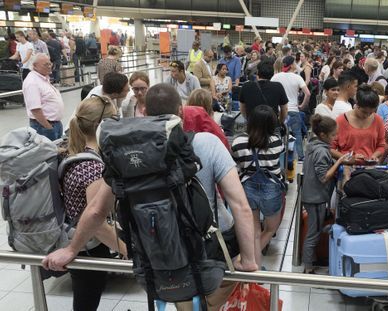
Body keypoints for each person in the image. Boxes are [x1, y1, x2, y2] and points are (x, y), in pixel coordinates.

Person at [42, 84, 259, 301]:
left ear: (145, 113)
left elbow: (97, 211)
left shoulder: (125, 155)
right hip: (213, 252)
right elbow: (240, 206)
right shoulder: (207, 142)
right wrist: (248, 260)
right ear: (181, 112)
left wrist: (71, 250)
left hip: (161, 255)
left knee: (184, 299)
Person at [63, 96, 128, 311]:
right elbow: (97, 221)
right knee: (86, 302)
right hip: (87, 246)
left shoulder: (79, 153)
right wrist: (125, 250)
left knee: (86, 300)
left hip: (82, 241)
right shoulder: (92, 166)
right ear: (102, 126)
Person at [231, 105, 285, 267]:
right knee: (270, 230)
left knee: (254, 232)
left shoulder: (238, 142)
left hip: (247, 188)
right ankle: (250, 261)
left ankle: (251, 264)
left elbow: (236, 164)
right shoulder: (276, 142)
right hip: (271, 189)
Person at [302, 115, 349, 274]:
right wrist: (339, 162)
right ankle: (308, 267)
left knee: (313, 231)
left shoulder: (312, 145)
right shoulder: (322, 152)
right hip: (316, 197)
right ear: (323, 135)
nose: (336, 137)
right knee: (313, 233)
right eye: (333, 135)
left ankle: (311, 261)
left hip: (311, 194)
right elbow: (323, 177)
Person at [330, 84, 386, 165]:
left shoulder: (378, 120)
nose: (367, 115)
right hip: (347, 168)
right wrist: (347, 158)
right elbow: (331, 148)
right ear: (357, 105)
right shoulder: (341, 120)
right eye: (364, 112)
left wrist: (374, 156)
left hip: (369, 168)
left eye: (371, 112)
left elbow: (381, 145)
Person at [271, 55, 311, 161]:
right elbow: (308, 93)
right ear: (292, 65)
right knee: (297, 134)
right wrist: (302, 105)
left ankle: (278, 154)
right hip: (294, 110)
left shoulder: (276, 77)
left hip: (280, 111)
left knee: (279, 134)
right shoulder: (297, 77)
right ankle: (300, 156)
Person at [23, 54, 64, 141]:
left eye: (50, 64)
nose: (49, 66)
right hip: (43, 127)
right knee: (48, 153)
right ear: (35, 66)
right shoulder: (32, 82)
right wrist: (48, 127)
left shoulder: (43, 78)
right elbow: (35, 109)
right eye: (46, 65)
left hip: (54, 124)